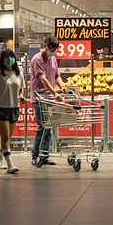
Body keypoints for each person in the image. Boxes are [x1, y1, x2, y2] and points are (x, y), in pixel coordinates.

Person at [0, 49, 25, 174]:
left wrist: (21, 97)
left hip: (14, 108)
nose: (9, 59)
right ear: (2, 60)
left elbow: (20, 90)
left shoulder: (19, 74)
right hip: (0, 108)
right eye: (6, 57)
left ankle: (0, 157)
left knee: (7, 136)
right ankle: (10, 164)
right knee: (5, 135)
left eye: (11, 56)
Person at [30, 36, 67, 166]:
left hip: (50, 99)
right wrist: (54, 93)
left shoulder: (53, 59)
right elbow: (43, 79)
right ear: (45, 46)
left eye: (55, 50)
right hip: (39, 98)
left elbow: (57, 76)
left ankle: (45, 155)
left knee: (49, 127)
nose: (53, 52)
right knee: (42, 127)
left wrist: (62, 86)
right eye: (51, 49)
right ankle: (35, 155)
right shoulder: (37, 59)